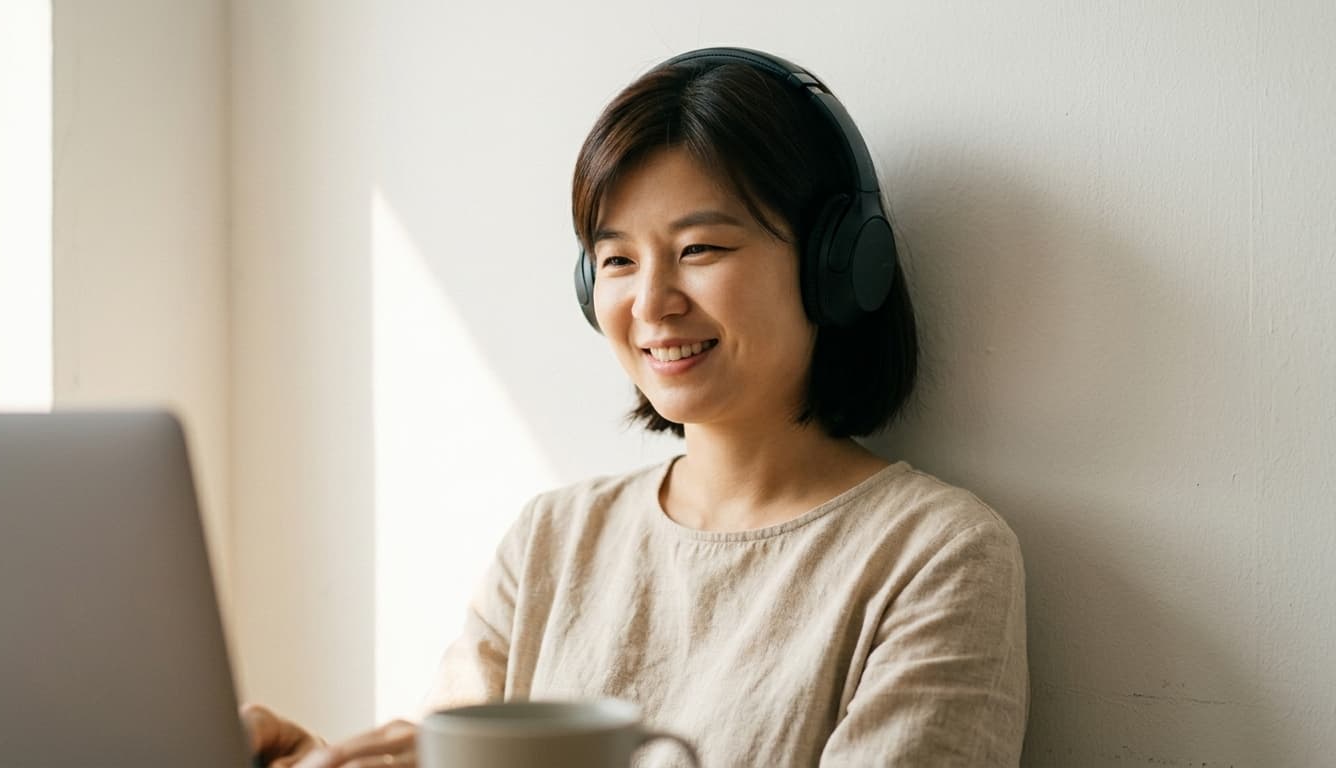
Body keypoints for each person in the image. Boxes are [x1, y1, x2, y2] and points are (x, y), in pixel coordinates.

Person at [244, 47, 1028, 767]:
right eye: (616, 260)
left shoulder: (936, 555)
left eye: (700, 251)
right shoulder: (553, 539)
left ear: (839, 264)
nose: (651, 303)